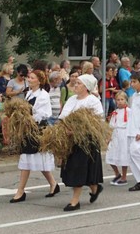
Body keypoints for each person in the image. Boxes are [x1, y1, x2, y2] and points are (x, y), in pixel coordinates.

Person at [7, 71, 58, 202]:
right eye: (28, 77)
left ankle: (20, 191)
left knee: (29, 157)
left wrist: (28, 117)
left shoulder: (43, 95)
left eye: (32, 78)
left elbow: (45, 114)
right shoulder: (29, 93)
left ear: (39, 81)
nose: (29, 79)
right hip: (28, 129)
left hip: (37, 130)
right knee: (33, 158)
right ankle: (53, 183)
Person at [59, 75, 106, 211]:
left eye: (78, 83)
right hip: (70, 139)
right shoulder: (72, 99)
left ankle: (75, 201)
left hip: (86, 140)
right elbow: (63, 116)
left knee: (79, 168)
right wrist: (66, 128)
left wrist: (78, 130)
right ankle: (95, 188)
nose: (75, 85)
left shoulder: (93, 101)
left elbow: (98, 121)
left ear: (86, 87)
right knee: (75, 168)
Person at [105, 91, 132, 184]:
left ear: (125, 100)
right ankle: (117, 174)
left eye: (122, 99)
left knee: (123, 155)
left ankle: (124, 177)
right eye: (118, 100)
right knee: (110, 154)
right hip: (115, 134)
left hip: (124, 134)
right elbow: (111, 125)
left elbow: (132, 124)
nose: (120, 101)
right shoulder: (115, 112)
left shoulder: (129, 111)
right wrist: (108, 137)